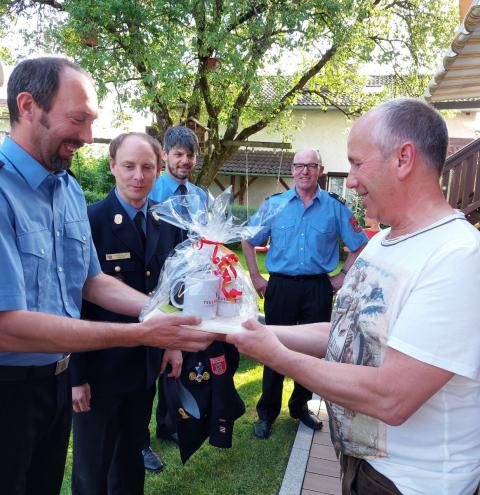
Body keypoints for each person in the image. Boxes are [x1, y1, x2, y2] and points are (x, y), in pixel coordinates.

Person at [228, 98, 480, 494]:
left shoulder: (459, 256)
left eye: (358, 164)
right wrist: (252, 330)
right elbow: (345, 333)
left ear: (403, 158)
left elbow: (392, 397)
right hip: (362, 466)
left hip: (414, 484)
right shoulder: (383, 243)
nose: (351, 180)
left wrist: (275, 354)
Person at [0, 56, 214, 495]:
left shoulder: (67, 188)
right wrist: (140, 333)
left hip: (54, 384)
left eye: (91, 121)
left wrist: (159, 313)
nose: (87, 136)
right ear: (27, 106)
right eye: (77, 120)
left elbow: (90, 280)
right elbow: (7, 329)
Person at [69, 132, 182, 494]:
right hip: (98, 370)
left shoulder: (166, 224)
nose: (138, 176)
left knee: (131, 457)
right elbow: (75, 304)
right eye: (129, 166)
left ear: (158, 169)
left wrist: (172, 345)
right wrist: (75, 376)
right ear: (112, 166)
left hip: (142, 366)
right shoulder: (90, 222)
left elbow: (169, 291)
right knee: (92, 468)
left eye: (147, 167)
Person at [242, 149, 367, 439]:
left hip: (317, 288)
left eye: (311, 166)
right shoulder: (275, 205)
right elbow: (248, 240)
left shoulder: (336, 207)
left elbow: (359, 244)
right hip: (281, 287)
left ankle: (300, 406)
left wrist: (343, 276)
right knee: (272, 347)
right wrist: (256, 277)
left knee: (313, 351)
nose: (304, 171)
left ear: (320, 170)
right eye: (299, 166)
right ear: (292, 169)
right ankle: (267, 412)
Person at [149, 125, 207, 207]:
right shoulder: (149, 193)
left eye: (190, 155)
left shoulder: (201, 196)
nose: (185, 161)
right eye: (179, 154)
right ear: (165, 155)